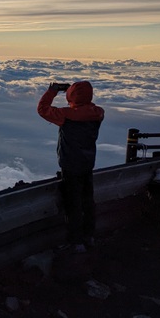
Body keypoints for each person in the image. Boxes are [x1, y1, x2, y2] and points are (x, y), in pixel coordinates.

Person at [37, 81, 105, 252]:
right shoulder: (98, 113)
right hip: (88, 163)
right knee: (88, 201)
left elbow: (42, 109)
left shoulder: (65, 115)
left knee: (73, 204)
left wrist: (53, 91)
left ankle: (76, 243)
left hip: (70, 165)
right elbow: (87, 107)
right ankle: (89, 236)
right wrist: (76, 94)